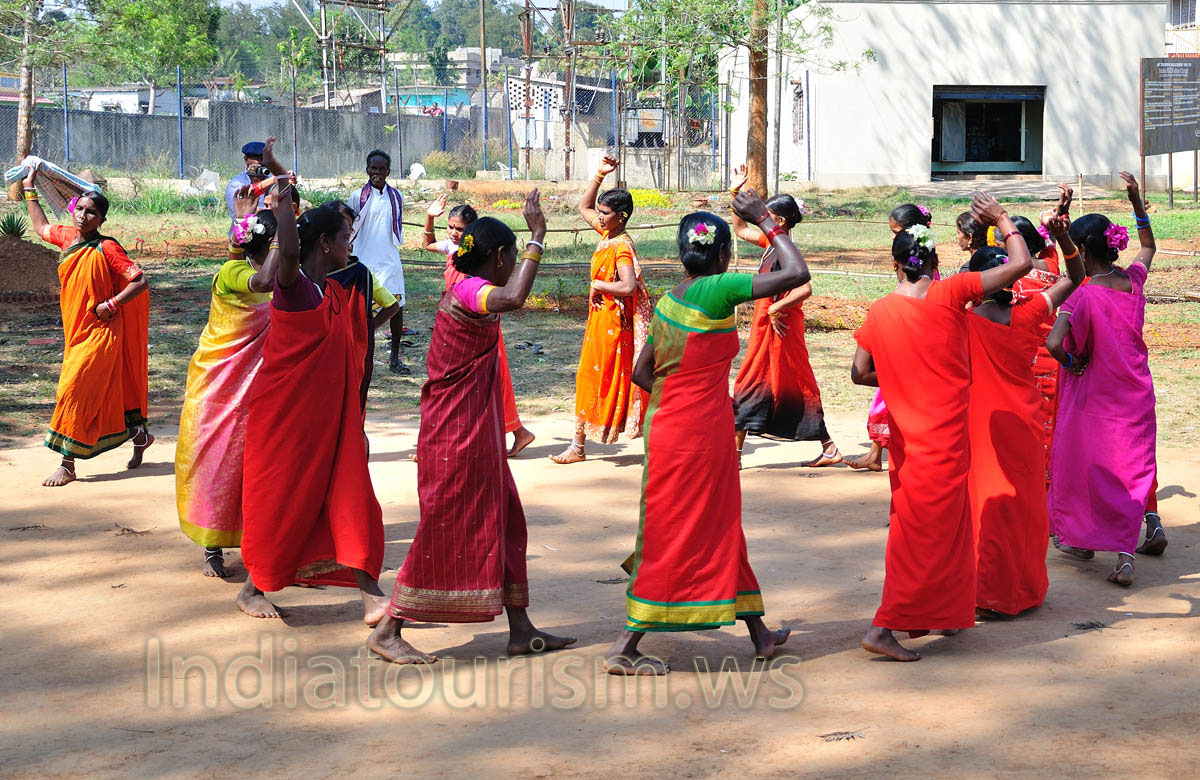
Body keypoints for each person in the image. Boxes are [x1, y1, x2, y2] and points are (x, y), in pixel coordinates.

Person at [368, 191, 577, 664]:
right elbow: (514, 296)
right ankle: (389, 628)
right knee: (446, 524)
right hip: (455, 431)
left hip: (472, 425)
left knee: (505, 518)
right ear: (501, 256)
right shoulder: (470, 290)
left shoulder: (465, 281)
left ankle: (520, 628)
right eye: (512, 257)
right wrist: (539, 238)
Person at [604, 194, 807, 675]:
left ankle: (760, 633)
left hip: (670, 425)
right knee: (680, 531)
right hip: (700, 432)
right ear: (721, 257)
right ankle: (624, 646)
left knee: (717, 520)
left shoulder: (672, 298)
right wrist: (765, 221)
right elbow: (797, 274)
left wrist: (685, 394)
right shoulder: (719, 288)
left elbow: (642, 372)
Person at [850, 192, 1032, 661]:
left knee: (938, 527)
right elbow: (1021, 264)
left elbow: (859, 372)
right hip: (944, 437)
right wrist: (1002, 220)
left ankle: (945, 611)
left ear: (896, 266)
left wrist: (903, 371)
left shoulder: (880, 311)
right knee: (928, 531)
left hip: (911, 437)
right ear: (934, 261)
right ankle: (885, 626)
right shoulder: (951, 293)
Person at [236, 201, 387, 623]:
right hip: (286, 422)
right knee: (284, 505)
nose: (349, 245)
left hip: (330, 422)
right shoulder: (295, 288)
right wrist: (283, 195)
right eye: (344, 238)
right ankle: (252, 588)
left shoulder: (337, 291)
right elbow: (286, 253)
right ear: (324, 243)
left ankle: (371, 595)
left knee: (348, 499)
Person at [176, 152, 293, 577]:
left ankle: (258, 543)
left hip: (257, 386)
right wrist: (281, 231)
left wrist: (261, 216)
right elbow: (261, 280)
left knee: (255, 464)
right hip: (221, 386)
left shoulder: (261, 266)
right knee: (219, 462)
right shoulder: (235, 273)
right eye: (272, 247)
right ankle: (212, 548)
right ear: (264, 248)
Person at [965, 214, 1084, 618]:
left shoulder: (959, 322)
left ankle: (986, 593)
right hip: (1026, 422)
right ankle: (1024, 590)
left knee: (986, 507)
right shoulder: (1030, 312)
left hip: (980, 425)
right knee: (1025, 508)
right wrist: (1064, 239)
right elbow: (1075, 275)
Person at [1046, 172, 1161, 587]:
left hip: (1095, 396)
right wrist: (1135, 202)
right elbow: (1148, 246)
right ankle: (1126, 556)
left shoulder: (1082, 295)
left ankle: (1081, 537)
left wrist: (1075, 360)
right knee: (1132, 470)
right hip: (1136, 393)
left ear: (1081, 251)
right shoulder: (1133, 281)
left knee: (1091, 468)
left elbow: (1054, 344)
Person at [24, 170, 151, 487]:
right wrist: (29, 188)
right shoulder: (67, 238)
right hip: (76, 333)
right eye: (79, 209)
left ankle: (67, 465)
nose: (83, 215)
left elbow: (139, 280)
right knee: (95, 396)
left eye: (91, 211)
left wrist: (112, 304)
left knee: (73, 390)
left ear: (101, 218)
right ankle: (137, 434)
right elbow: (40, 227)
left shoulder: (107, 248)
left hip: (102, 334)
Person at [727, 167, 839, 468]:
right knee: (766, 381)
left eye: (767, 213)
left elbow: (805, 287)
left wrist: (776, 308)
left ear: (780, 221)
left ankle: (734, 457)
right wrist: (734, 193)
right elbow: (739, 229)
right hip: (766, 328)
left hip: (781, 328)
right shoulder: (770, 245)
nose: (761, 216)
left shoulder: (785, 251)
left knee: (759, 382)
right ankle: (828, 447)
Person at [551, 155, 652, 464]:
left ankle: (580, 447)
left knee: (605, 381)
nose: (599, 215)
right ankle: (578, 447)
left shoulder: (621, 245)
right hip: (600, 322)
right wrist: (598, 175)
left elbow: (627, 286)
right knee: (589, 379)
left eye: (605, 213)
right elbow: (584, 207)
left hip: (613, 326)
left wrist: (598, 284)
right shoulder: (608, 235)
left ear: (620, 216)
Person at [422, 194, 536, 456]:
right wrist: (429, 216)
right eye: (450, 227)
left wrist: (536, 239)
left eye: (460, 229)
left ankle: (511, 432)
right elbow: (427, 243)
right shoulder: (456, 255)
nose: (453, 233)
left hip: (475, 329)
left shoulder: (473, 283)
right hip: (462, 329)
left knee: (492, 383)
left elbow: (513, 297)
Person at [847, 203, 934, 473]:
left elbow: (859, 372)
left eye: (897, 233)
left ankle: (877, 453)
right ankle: (876, 452)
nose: (894, 238)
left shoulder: (918, 287)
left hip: (908, 358)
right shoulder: (935, 281)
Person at [350, 150, 410, 375]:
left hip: (390, 259)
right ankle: (362, 355)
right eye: (373, 168)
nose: (377, 172)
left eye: (381, 168)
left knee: (397, 307)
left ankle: (395, 358)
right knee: (363, 310)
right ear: (367, 170)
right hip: (365, 259)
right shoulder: (357, 196)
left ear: (388, 171)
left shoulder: (397, 196)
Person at [225, 141, 268, 236]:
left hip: (268, 231)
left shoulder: (271, 179)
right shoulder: (236, 184)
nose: (261, 163)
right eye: (257, 159)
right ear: (246, 159)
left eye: (263, 159)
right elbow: (241, 213)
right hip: (243, 234)